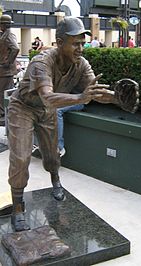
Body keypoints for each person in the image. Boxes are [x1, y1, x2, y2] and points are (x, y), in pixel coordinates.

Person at [7, 16, 118, 232]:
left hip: (47, 109)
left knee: (52, 154)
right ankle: (18, 208)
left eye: (82, 43)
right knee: (21, 157)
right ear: (60, 43)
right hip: (23, 107)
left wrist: (118, 97)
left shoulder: (81, 64)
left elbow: (95, 93)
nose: (81, 48)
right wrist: (79, 98)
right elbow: (48, 97)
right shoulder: (42, 62)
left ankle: (55, 180)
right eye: (75, 43)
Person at [0, 14, 19, 125]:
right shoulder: (4, 34)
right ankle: (3, 113)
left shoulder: (9, 35)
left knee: (3, 92)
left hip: (6, 70)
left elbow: (15, 48)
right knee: (2, 92)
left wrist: (8, 62)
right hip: (3, 70)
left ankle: (4, 114)